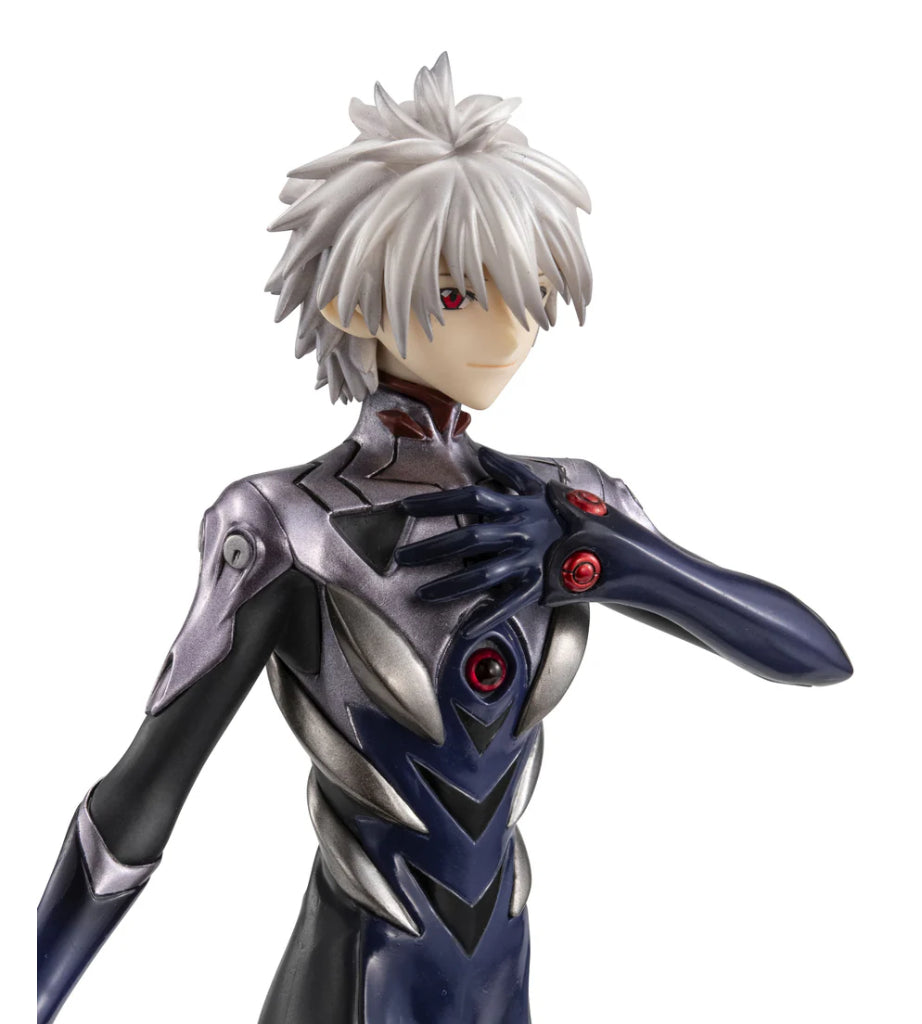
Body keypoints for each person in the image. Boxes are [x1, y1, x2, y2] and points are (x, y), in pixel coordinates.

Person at [37, 53, 852, 1024]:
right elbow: (140, 803)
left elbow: (813, 656)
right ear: (352, 305)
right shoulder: (289, 525)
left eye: (527, 288)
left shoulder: (566, 501)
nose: (508, 332)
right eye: (463, 295)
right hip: (351, 985)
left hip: (501, 983)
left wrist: (614, 559)